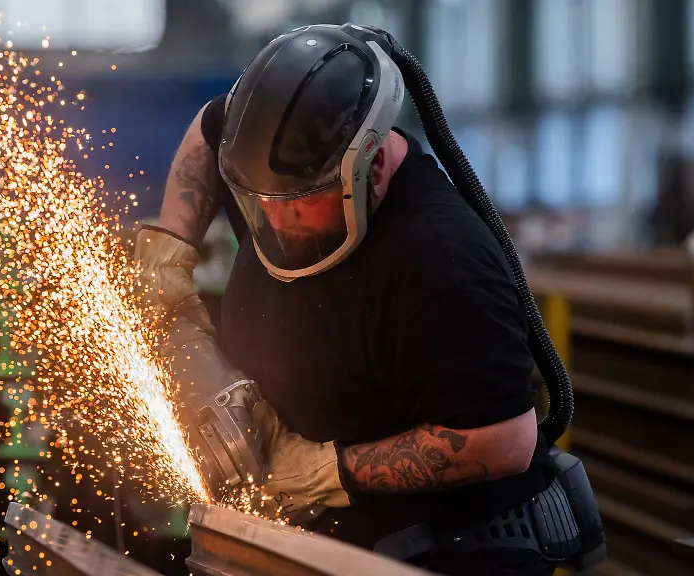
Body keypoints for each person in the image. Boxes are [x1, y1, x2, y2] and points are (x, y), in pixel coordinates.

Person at [134, 24, 558, 575]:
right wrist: (169, 255)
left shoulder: (443, 260)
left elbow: (505, 440)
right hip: (316, 545)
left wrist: (324, 473)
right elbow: (211, 129)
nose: (278, 220)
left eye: (301, 203)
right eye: (262, 200)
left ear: (369, 165)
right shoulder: (275, 169)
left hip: (438, 554)